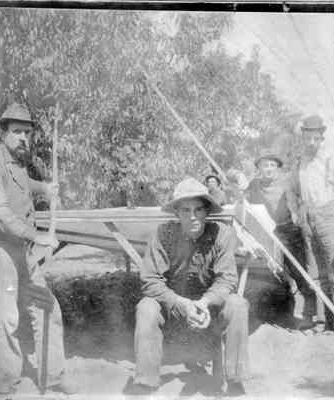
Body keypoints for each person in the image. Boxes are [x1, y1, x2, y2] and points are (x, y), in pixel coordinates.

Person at [0, 103, 77, 397]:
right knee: (6, 318)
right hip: (2, 251)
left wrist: (44, 188)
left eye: (27, 133)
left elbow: (22, 183)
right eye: (17, 131)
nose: (23, 138)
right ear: (4, 133)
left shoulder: (17, 163)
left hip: (24, 253)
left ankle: (53, 376)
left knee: (48, 308)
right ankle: (5, 385)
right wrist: (37, 236)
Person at [130, 177, 248, 396]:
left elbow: (227, 279)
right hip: (173, 307)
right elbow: (150, 280)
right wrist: (181, 303)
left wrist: (204, 302)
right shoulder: (163, 234)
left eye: (198, 210)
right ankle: (145, 383)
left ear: (207, 211)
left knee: (237, 304)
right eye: (185, 210)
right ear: (177, 213)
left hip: (210, 307)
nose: (192, 216)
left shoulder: (222, 233)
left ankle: (235, 381)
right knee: (146, 307)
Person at [245, 149, 316, 330]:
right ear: (259, 168)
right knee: (276, 274)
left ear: (277, 168)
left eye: (272, 165)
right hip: (269, 233)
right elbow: (244, 202)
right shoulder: (254, 185)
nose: (268, 169)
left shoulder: (286, 183)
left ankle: (310, 315)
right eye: (265, 165)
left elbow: (303, 199)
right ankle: (285, 314)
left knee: (298, 272)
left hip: (290, 231)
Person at [297, 114, 334, 330]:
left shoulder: (331, 161)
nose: (311, 143)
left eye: (315, 138)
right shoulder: (301, 162)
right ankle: (322, 320)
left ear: (321, 138)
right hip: (308, 218)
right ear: (303, 138)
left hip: (328, 216)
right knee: (315, 271)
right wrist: (296, 211)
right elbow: (293, 190)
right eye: (308, 138)